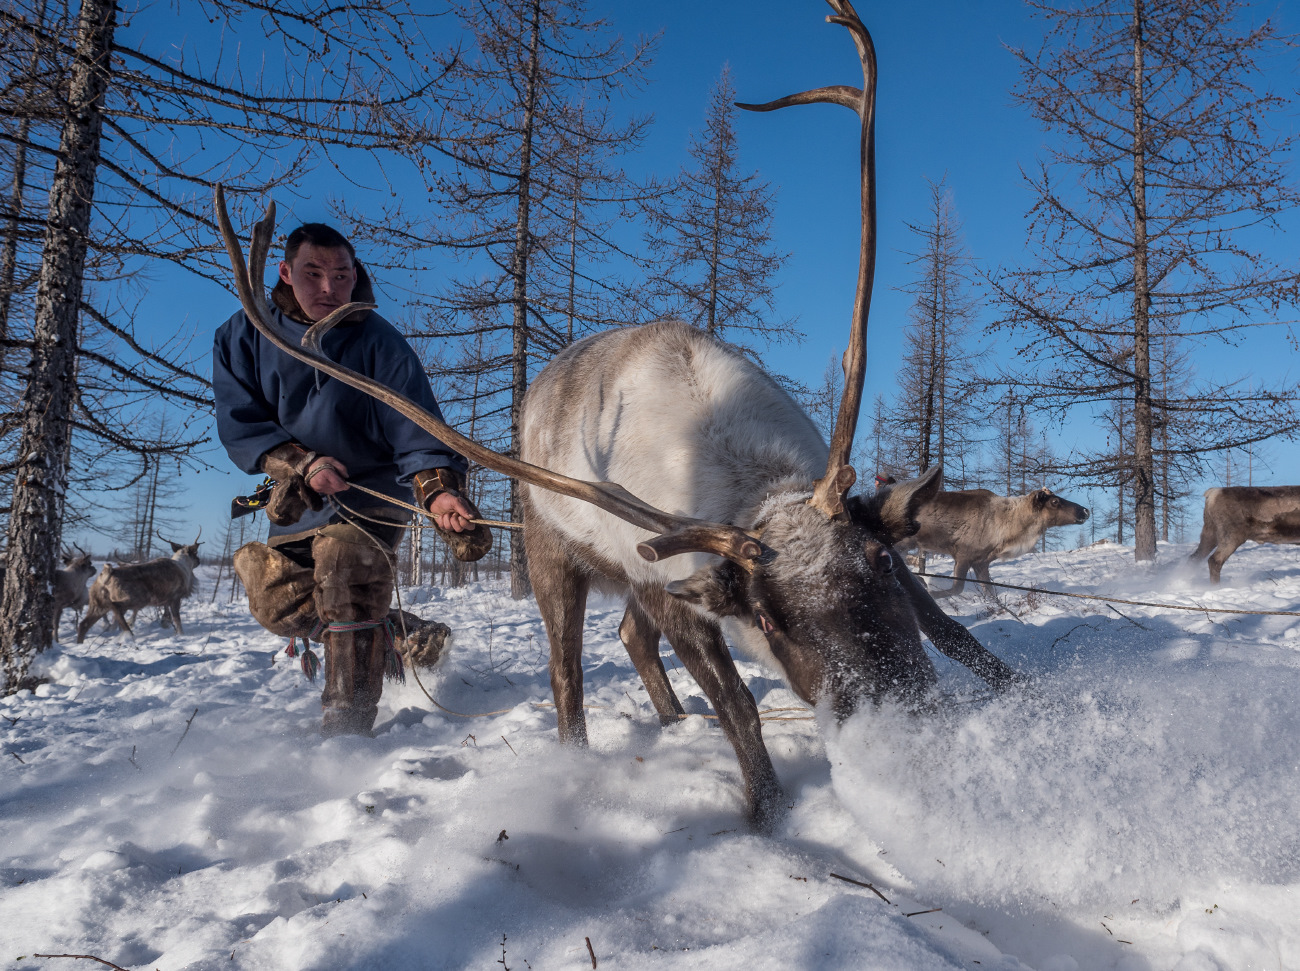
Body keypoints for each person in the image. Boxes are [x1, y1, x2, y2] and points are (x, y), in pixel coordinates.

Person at [213, 222, 492, 736]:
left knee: (344, 567)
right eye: (313, 273)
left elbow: (416, 424)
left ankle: (347, 727)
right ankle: (395, 631)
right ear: (284, 272)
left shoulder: (379, 341)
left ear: (355, 274)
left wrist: (438, 490)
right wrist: (299, 463)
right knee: (276, 598)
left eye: (341, 275)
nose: (328, 288)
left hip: (372, 493)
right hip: (300, 497)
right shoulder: (243, 334)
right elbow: (241, 420)